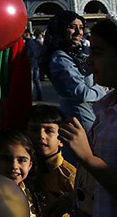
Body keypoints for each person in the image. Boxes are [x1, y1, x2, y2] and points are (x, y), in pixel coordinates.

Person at [59, 17, 117, 217]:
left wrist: (87, 157)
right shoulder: (107, 107)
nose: (89, 60)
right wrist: (71, 199)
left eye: (98, 52)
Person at [41, 11, 105, 133]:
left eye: (81, 28)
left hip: (94, 114)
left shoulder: (78, 53)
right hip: (82, 118)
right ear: (60, 29)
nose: (78, 32)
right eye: (72, 27)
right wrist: (103, 89)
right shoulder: (60, 57)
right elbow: (82, 93)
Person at [25, 104, 76, 216]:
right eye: (34, 130)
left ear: (61, 139)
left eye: (48, 130)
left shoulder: (68, 176)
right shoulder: (21, 169)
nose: (41, 136)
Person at [0, 128, 43, 216]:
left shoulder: (31, 194)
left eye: (22, 160)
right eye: (6, 158)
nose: (14, 166)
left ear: (30, 165)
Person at [28, 30, 45, 101]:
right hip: (37, 62)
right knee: (37, 80)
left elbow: (28, 53)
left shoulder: (30, 43)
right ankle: (39, 95)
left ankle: (30, 96)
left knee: (31, 80)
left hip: (31, 62)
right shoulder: (40, 43)